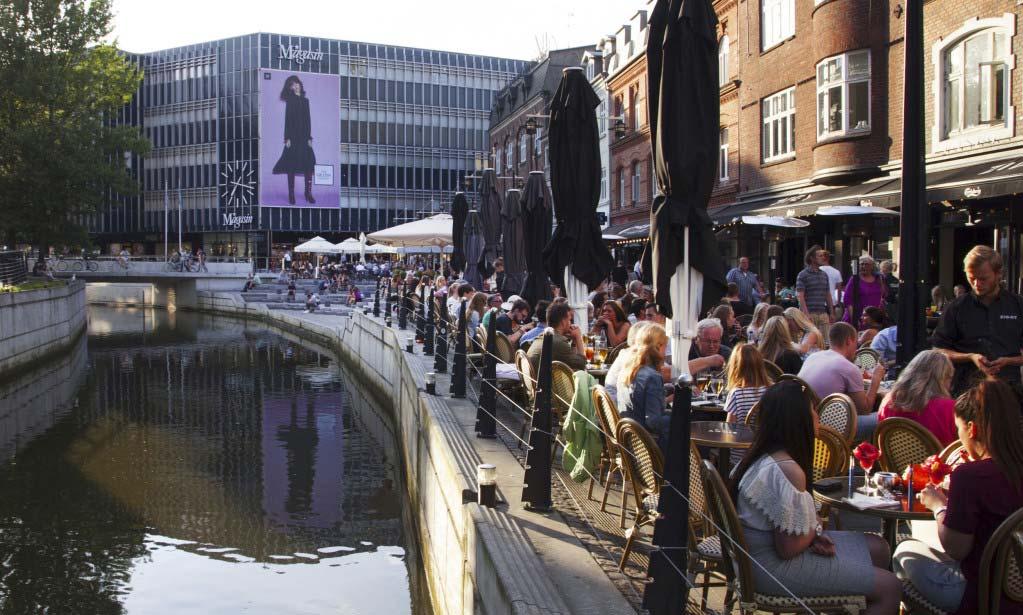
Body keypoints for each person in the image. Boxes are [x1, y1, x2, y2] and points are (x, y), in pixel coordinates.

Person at [731, 381, 901, 614]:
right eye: (813, 411)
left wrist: (813, 534)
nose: (818, 417)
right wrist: (813, 533)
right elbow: (788, 548)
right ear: (798, 420)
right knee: (890, 587)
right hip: (771, 568)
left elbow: (786, 535)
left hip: (757, 559)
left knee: (880, 547)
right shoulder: (787, 470)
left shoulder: (761, 456)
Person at [894, 378, 1023, 614]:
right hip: (1016, 593)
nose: (959, 437)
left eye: (959, 429)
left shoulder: (972, 476)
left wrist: (939, 506)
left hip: (982, 595)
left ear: (972, 428)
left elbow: (957, 549)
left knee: (903, 550)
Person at [932, 245, 1023, 396]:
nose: (976, 284)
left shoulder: (1017, 305)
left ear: (998, 273)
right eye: (971, 278)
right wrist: (970, 357)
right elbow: (938, 350)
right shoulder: (956, 307)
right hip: (966, 390)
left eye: (983, 279)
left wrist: (1009, 360)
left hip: (1009, 389)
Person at [799, 322, 886, 441]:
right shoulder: (848, 367)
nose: (856, 348)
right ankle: (870, 457)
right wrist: (876, 380)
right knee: (886, 417)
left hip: (803, 422)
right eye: (856, 343)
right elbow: (865, 410)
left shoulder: (813, 357)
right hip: (828, 430)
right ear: (849, 341)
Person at [877, 350, 956, 446]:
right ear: (943, 378)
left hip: (895, 460)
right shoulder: (950, 408)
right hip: (939, 460)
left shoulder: (889, 402)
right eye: (950, 378)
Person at [617, 322, 671, 450]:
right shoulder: (652, 376)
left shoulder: (627, 370)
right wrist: (680, 417)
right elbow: (653, 422)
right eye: (666, 347)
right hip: (648, 447)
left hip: (629, 440)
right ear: (658, 346)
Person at [271, 75, 317, 205]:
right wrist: (287, 138)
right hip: (293, 137)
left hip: (304, 137)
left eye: (296, 83)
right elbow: (288, 121)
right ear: (290, 88)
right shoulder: (290, 101)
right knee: (290, 165)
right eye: (292, 85)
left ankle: (308, 193)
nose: (295, 86)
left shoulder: (306, 101)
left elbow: (308, 121)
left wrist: (309, 138)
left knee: (308, 164)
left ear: (300, 84)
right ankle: (291, 194)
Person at [723, 344, 771, 461]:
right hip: (765, 454)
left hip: (741, 457)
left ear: (735, 367)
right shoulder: (771, 391)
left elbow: (729, 429)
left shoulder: (736, 394)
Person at [525, 301, 587, 373]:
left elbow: (573, 362)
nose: (571, 323)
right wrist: (578, 337)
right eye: (569, 320)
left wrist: (574, 342)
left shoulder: (543, 337)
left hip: (535, 382)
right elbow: (582, 365)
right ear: (563, 322)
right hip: (547, 383)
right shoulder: (558, 342)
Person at [796, 245, 835, 341]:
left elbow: (827, 294)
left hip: (822, 313)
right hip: (809, 313)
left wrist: (831, 312)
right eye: (820, 256)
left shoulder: (824, 274)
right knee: (809, 342)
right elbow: (800, 296)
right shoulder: (803, 274)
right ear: (812, 258)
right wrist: (806, 314)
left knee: (825, 341)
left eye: (823, 255)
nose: (823, 258)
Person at [842, 255, 887, 329]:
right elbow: (848, 301)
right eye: (861, 264)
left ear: (872, 266)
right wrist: (855, 319)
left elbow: (884, 295)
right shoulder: (854, 279)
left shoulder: (878, 279)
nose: (863, 266)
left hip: (874, 319)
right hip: (859, 318)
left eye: (866, 264)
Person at [819, 249, 844, 318]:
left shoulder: (817, 271)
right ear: (828, 258)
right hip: (832, 302)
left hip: (819, 302)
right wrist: (838, 303)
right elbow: (839, 290)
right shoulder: (836, 272)